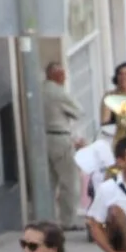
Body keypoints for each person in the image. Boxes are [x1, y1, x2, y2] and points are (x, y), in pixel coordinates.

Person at [41, 61, 90, 229]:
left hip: (41, 140)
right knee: (70, 182)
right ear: (57, 76)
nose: (65, 78)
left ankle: (47, 219)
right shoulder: (58, 92)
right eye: (63, 75)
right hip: (60, 139)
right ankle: (66, 221)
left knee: (48, 182)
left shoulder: (38, 90)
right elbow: (79, 111)